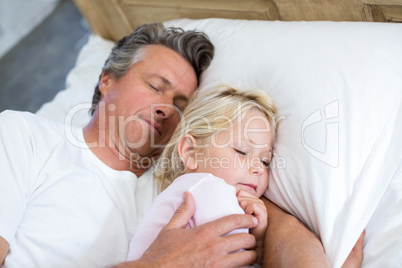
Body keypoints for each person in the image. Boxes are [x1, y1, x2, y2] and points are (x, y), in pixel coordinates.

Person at [0, 22, 361, 267]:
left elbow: (288, 236)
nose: (165, 107)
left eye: (181, 103)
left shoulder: (194, 176)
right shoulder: (24, 137)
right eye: (156, 86)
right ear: (106, 80)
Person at [127, 86, 277, 265]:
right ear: (191, 152)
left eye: (265, 161)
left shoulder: (184, 191)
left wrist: (256, 240)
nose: (258, 168)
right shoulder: (210, 187)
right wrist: (258, 247)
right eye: (242, 151)